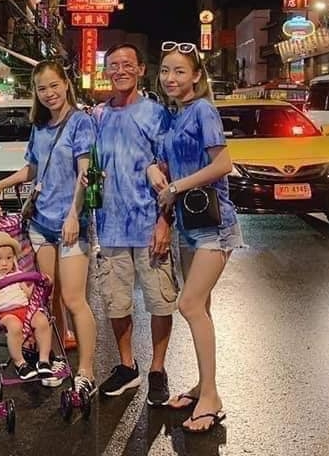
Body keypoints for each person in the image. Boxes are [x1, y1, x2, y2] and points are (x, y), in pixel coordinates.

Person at [0, 60, 98, 396]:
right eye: (42, 88)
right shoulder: (40, 126)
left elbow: (85, 173)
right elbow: (32, 169)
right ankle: (58, 357)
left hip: (71, 224)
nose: (49, 93)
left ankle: (87, 370)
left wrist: (74, 215)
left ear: (66, 84)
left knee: (75, 298)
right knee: (50, 296)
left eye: (54, 85)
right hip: (41, 224)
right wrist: (1, 184)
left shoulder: (80, 122)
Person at [149, 41, 242, 434]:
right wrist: (156, 172)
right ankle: (203, 386)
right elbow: (166, 162)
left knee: (189, 304)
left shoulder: (203, 109)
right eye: (165, 70)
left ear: (197, 76)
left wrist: (176, 187)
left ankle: (212, 398)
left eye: (180, 71)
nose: (171, 78)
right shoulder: (174, 115)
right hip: (188, 223)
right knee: (201, 306)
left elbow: (223, 163)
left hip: (214, 224)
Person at [92, 43, 176, 406]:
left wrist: (164, 221)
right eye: (113, 65)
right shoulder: (98, 115)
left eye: (128, 64)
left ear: (141, 69)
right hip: (110, 225)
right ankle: (127, 366)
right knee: (116, 302)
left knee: (160, 301)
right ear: (106, 72)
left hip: (148, 224)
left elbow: (171, 170)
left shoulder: (157, 114)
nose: (120, 70)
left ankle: (157, 368)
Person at [0, 231, 55, 380]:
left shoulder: (17, 273)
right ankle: (20, 363)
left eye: (9, 258)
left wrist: (39, 284)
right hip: (5, 313)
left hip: (26, 309)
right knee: (15, 326)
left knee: (42, 321)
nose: (4, 263)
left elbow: (28, 294)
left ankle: (44, 360)